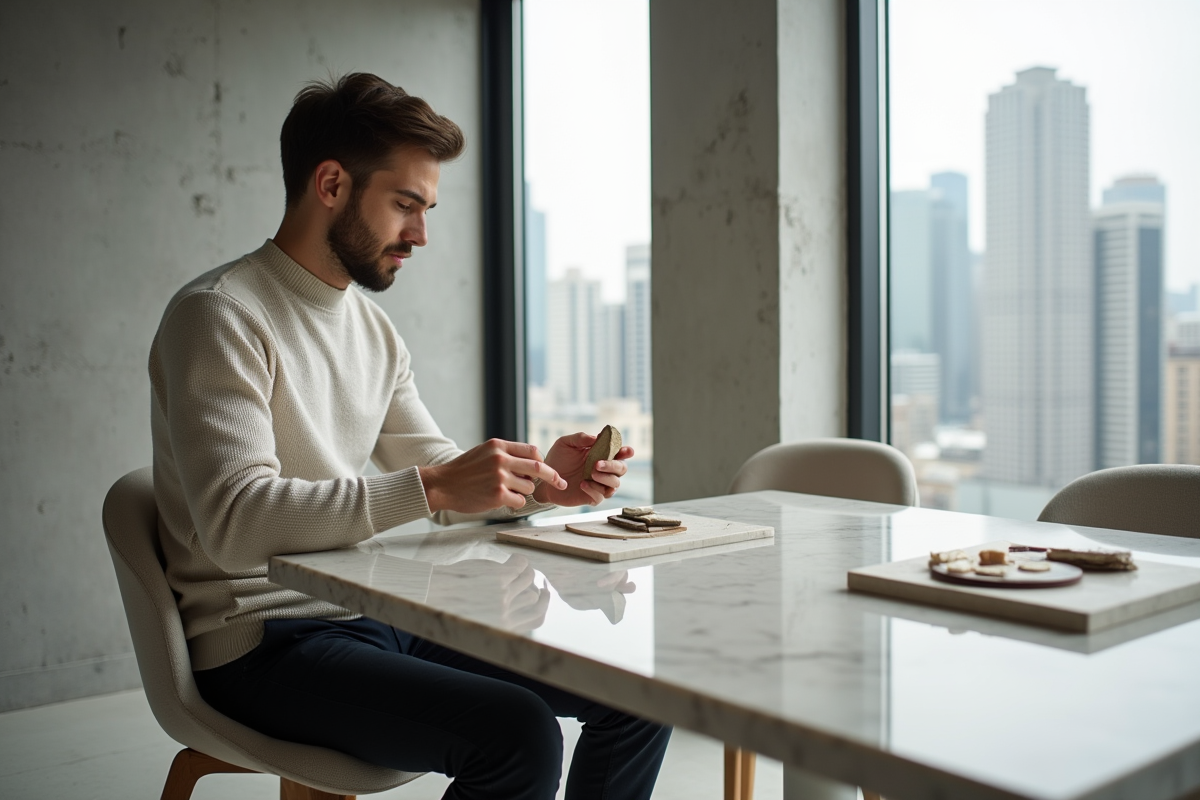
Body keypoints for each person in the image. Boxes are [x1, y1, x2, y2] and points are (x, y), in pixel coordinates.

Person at [148, 72, 671, 800]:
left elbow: (441, 475)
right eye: (405, 205)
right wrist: (434, 487)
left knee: (640, 691)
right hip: (263, 639)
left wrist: (541, 485)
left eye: (427, 210)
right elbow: (235, 525)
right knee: (519, 733)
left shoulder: (374, 331)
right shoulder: (219, 315)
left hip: (375, 611)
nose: (421, 235)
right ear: (331, 184)